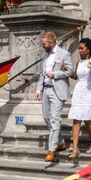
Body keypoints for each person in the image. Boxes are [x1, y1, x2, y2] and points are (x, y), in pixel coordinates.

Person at [35, 31, 73, 162]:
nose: (43, 46)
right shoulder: (45, 55)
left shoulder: (64, 54)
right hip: (46, 90)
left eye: (44, 44)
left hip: (58, 91)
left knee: (55, 119)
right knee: (46, 118)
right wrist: (39, 90)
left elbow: (70, 71)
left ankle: (51, 151)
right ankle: (61, 142)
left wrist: (55, 74)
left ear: (51, 43)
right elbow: (42, 74)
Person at [67, 38, 91, 158]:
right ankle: (75, 149)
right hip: (79, 90)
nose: (79, 50)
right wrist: (66, 70)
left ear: (88, 49)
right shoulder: (79, 62)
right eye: (78, 48)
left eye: (81, 48)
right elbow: (76, 76)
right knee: (76, 118)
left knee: (88, 120)